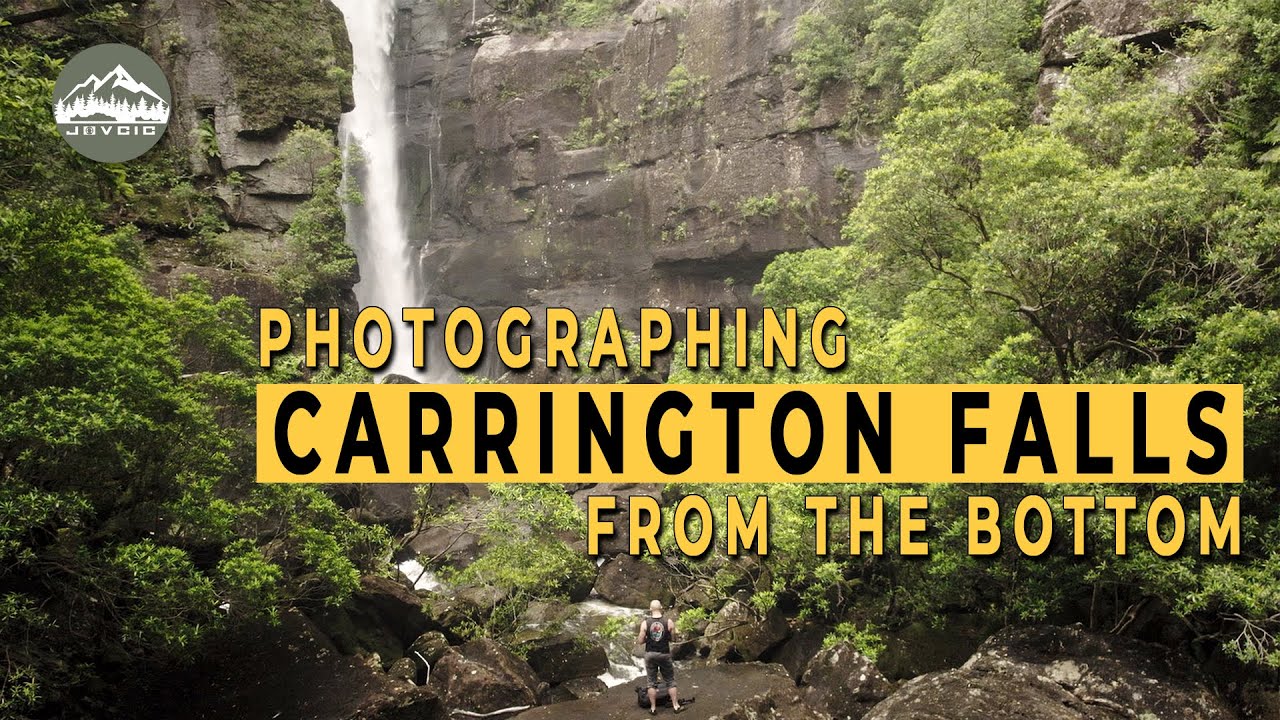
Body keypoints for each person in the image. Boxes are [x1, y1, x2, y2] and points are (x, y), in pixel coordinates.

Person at [636, 599, 683, 714]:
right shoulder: (669, 622)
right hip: (664, 654)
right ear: (661, 608)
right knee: (670, 681)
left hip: (650, 654)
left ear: (650, 609)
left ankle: (653, 708)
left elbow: (640, 641)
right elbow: (673, 638)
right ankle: (676, 706)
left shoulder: (645, 623)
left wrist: (648, 639)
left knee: (651, 682)